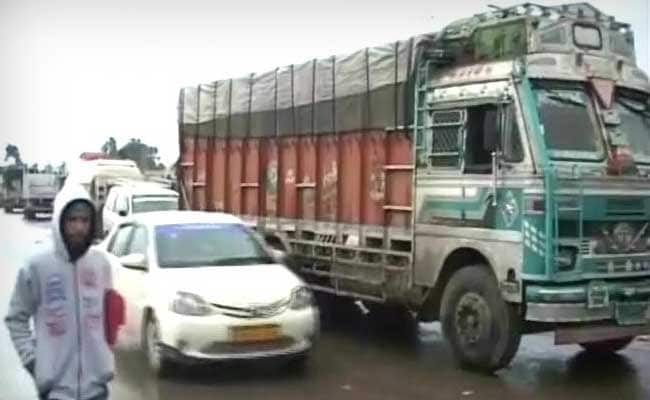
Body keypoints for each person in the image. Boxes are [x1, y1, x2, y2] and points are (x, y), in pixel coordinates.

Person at [5, 184, 118, 400]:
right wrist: (33, 361)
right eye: (72, 220)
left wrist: (105, 359)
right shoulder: (37, 266)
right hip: (56, 392)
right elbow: (15, 318)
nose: (79, 228)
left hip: (97, 390)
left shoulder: (100, 264)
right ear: (59, 221)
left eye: (85, 221)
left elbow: (109, 319)